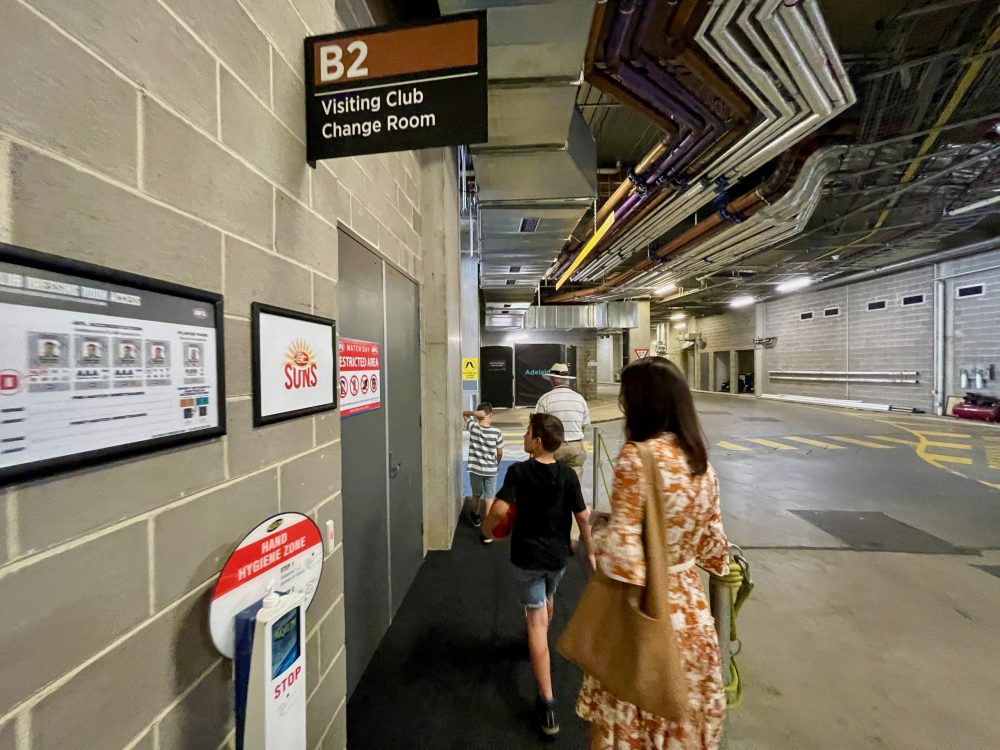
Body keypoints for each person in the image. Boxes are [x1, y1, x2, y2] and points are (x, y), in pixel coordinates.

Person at [576, 357, 729, 749]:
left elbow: (623, 560)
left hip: (645, 612)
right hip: (692, 615)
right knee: (680, 727)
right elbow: (715, 550)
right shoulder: (700, 464)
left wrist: (600, 531)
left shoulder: (638, 457)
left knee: (630, 726)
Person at [484, 413, 594, 737]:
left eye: (528, 431)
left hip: (527, 558)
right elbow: (584, 518)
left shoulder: (519, 472)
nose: (524, 435)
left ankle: (546, 703)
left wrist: (487, 529)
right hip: (557, 559)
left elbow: (500, 510)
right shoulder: (566, 476)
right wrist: (591, 554)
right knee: (547, 599)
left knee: (535, 623)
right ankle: (541, 637)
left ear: (538, 440)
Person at [534, 363, 590, 482]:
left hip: (553, 447)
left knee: (551, 484)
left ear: (553, 380)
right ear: (567, 380)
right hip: (575, 447)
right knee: (574, 484)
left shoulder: (545, 399)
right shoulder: (580, 399)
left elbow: (537, 428)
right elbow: (584, 426)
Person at [462, 403, 503, 543]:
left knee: (476, 494)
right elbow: (499, 452)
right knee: (489, 497)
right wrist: (497, 464)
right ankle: (488, 529)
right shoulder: (497, 432)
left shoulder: (473, 428)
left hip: (475, 469)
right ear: (490, 415)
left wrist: (474, 413)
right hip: (491, 469)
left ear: (480, 414)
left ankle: (476, 515)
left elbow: (464, 414)